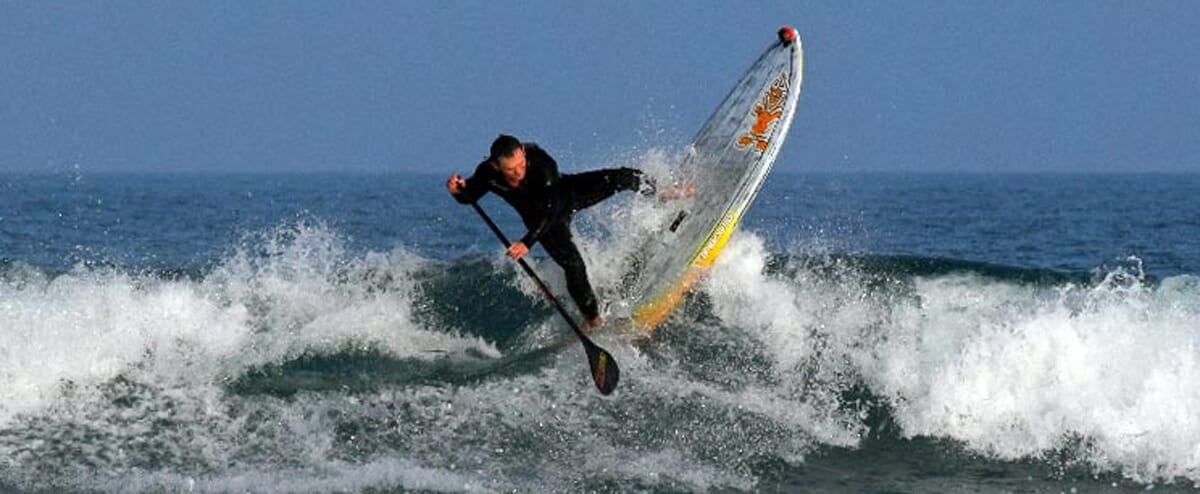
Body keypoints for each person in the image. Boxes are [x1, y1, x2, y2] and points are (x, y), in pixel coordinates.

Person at [447, 134, 657, 330]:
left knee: (622, 177)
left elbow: (551, 209)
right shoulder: (488, 173)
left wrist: (526, 242)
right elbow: (470, 195)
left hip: (560, 199)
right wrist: (457, 191)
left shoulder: (541, 162)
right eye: (510, 170)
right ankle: (594, 322)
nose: (519, 172)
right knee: (573, 265)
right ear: (496, 165)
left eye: (521, 164)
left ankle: (666, 192)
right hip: (539, 222)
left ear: (523, 151)